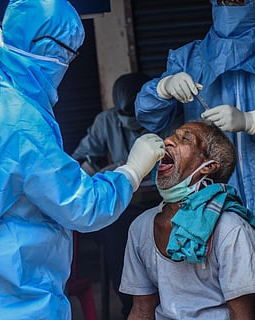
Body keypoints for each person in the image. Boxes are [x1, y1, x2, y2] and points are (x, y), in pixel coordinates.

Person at [0, 0, 165, 319]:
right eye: (68, 54)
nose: (66, 64)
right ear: (47, 47)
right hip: (12, 294)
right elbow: (83, 206)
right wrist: (132, 170)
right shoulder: (21, 122)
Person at [134, 0, 255, 318]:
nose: (232, 3)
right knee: (218, 297)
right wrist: (162, 88)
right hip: (207, 213)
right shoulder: (188, 59)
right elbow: (150, 116)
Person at [119, 120, 255, 320]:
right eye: (172, 135)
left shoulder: (231, 229)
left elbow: (243, 316)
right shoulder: (140, 227)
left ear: (208, 167)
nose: (167, 140)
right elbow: (142, 310)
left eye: (184, 139)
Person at [72, 72, 162, 318]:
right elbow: (80, 161)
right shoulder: (106, 121)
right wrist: (103, 171)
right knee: (115, 239)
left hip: (160, 202)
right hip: (124, 207)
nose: (129, 123)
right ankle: (130, 305)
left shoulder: (163, 118)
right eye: (124, 117)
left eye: (134, 117)